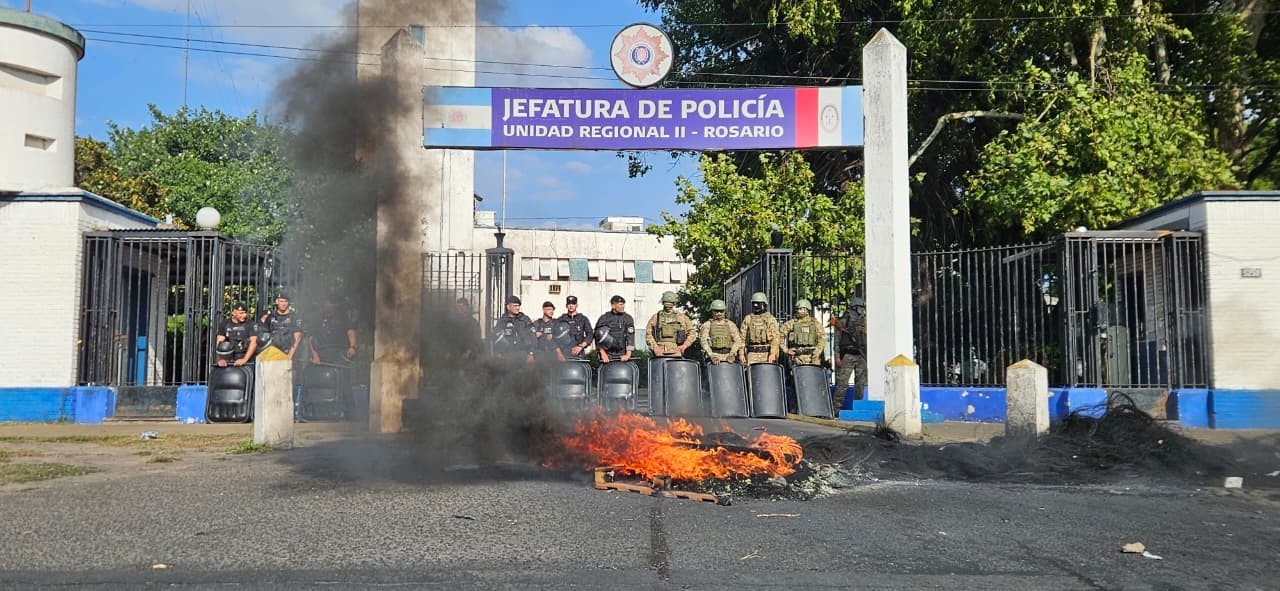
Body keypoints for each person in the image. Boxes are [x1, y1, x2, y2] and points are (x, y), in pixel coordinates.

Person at [831, 297, 868, 403]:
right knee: (842, 383)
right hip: (848, 355)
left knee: (861, 383)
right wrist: (837, 356)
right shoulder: (843, 321)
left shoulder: (864, 321)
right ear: (854, 307)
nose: (862, 309)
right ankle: (836, 409)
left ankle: (858, 406)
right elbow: (836, 341)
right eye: (860, 307)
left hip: (861, 355)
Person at [645, 291, 695, 358]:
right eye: (666, 303)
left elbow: (692, 333)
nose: (668, 306)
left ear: (673, 303)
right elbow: (648, 334)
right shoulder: (656, 317)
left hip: (676, 351)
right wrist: (655, 347)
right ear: (663, 303)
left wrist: (685, 345)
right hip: (659, 351)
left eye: (670, 304)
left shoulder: (682, 317)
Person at [491, 295, 536, 363]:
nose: (517, 308)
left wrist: (531, 353)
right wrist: (498, 353)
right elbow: (496, 337)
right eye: (515, 306)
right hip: (507, 357)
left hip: (523, 355)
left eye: (518, 306)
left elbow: (533, 337)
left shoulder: (525, 320)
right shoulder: (502, 321)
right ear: (508, 307)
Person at [311, 299, 356, 365]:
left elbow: (351, 332)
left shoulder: (342, 317)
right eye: (327, 303)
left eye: (331, 303)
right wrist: (314, 353)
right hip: (322, 353)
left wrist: (352, 347)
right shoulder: (318, 318)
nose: (329, 305)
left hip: (340, 353)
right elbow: (311, 338)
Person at [779, 299, 823, 366]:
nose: (798, 311)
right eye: (797, 309)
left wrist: (817, 352)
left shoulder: (815, 324)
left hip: (813, 358)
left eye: (801, 309)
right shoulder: (792, 323)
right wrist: (786, 350)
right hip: (797, 358)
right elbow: (779, 335)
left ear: (807, 310)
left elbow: (822, 339)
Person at [739, 292, 779, 365]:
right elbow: (742, 338)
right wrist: (741, 353)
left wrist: (773, 353)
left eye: (758, 303)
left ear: (764, 304)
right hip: (752, 354)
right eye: (754, 303)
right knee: (751, 374)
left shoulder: (770, 319)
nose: (755, 305)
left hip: (767, 354)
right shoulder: (748, 319)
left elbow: (775, 338)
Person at [698, 299, 743, 364]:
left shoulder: (730, 324)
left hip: (728, 356)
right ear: (712, 311)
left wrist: (732, 354)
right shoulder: (707, 325)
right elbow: (703, 341)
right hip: (713, 356)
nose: (719, 313)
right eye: (716, 311)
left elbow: (738, 340)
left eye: (721, 311)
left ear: (724, 311)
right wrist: (711, 356)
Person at [259, 292, 302, 360]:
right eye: (281, 301)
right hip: (273, 353)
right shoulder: (270, 316)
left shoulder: (295, 317)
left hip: (289, 353)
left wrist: (289, 356)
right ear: (276, 302)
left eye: (285, 301)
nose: (283, 304)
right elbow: (264, 336)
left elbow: (297, 337)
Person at [594, 295, 635, 363]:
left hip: (622, 355)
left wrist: (628, 355)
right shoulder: (604, 318)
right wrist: (602, 353)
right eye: (620, 304)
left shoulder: (628, 318)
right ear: (613, 305)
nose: (623, 306)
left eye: (623, 304)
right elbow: (597, 337)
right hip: (607, 356)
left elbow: (630, 337)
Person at [215, 303, 258, 367]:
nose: (244, 315)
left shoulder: (251, 324)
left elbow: (254, 342)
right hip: (229, 360)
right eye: (241, 313)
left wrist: (244, 359)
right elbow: (220, 343)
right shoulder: (225, 324)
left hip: (247, 360)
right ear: (234, 313)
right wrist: (221, 359)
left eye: (245, 313)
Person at [555, 295, 593, 360]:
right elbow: (554, 337)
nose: (571, 305)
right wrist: (559, 353)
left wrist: (581, 346)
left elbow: (590, 334)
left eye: (573, 303)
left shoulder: (583, 319)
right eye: (569, 304)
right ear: (566, 306)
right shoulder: (560, 320)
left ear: (577, 305)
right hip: (564, 355)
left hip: (579, 354)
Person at [452, 297, 482, 361]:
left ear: (467, 307)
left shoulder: (473, 322)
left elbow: (476, 340)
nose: (460, 309)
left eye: (462, 306)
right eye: (458, 307)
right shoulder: (454, 321)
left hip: (470, 355)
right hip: (456, 354)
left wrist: (469, 352)